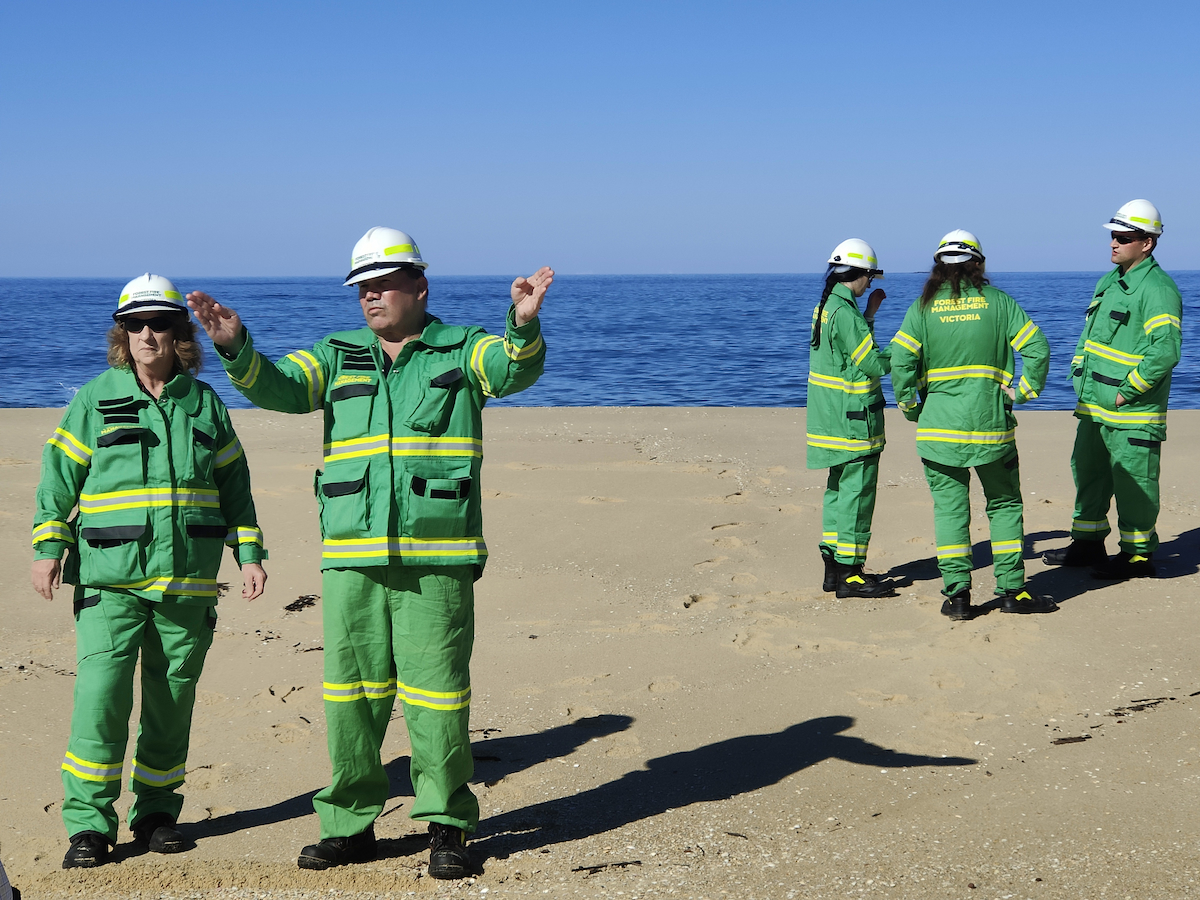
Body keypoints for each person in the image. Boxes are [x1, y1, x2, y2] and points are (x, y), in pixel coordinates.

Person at [188, 227, 551, 879]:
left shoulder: (463, 349)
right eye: (362, 287)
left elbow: (512, 369)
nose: (371, 296)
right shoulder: (336, 355)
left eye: (384, 283)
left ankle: (447, 826)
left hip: (435, 562)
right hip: (352, 558)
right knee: (351, 697)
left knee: (438, 697)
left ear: (420, 286)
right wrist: (235, 346)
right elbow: (278, 388)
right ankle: (350, 826)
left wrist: (522, 325)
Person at [31, 274, 268, 869]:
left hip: (187, 582)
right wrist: (48, 547)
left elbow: (234, 486)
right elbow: (58, 480)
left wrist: (251, 553)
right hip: (109, 582)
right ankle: (89, 824)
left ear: (179, 333)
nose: (145, 334)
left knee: (171, 702)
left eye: (158, 323)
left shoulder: (203, 402)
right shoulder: (93, 399)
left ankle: (158, 813)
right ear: (122, 334)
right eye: (133, 324)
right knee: (100, 702)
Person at [889, 232, 1055, 620]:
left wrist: (912, 408)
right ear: (978, 264)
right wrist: (1023, 392)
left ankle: (958, 597)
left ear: (938, 267)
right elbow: (1038, 349)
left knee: (949, 511)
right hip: (990, 427)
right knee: (1004, 505)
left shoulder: (922, 308)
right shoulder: (999, 304)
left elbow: (900, 362)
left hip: (938, 430)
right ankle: (1013, 591)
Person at [1042, 200, 1182, 579]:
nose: (1113, 243)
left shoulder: (1157, 289)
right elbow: (1089, 337)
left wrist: (1125, 393)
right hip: (1093, 406)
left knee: (1135, 484)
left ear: (1147, 243)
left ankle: (1137, 557)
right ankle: (1087, 544)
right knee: (1088, 474)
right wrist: (1076, 372)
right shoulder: (1110, 280)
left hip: (1132, 413)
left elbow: (1165, 351)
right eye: (1112, 236)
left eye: (1123, 237)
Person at [806, 239, 898, 598]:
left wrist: (870, 315)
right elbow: (872, 363)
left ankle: (833, 570)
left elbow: (848, 352)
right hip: (855, 422)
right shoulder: (845, 313)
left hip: (829, 420)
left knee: (837, 493)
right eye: (869, 278)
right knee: (857, 496)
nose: (870, 284)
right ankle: (851, 575)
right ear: (857, 274)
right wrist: (905, 348)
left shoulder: (827, 306)